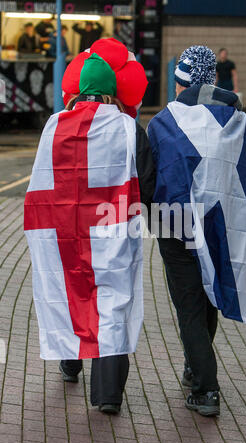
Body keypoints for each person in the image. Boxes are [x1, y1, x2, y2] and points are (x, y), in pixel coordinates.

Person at [24, 39, 155, 415]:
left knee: (69, 293)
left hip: (61, 231)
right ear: (112, 91)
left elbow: (40, 180)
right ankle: (108, 395)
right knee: (113, 303)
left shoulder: (53, 125)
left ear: (78, 89)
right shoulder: (128, 128)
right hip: (111, 231)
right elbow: (147, 181)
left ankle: (70, 362)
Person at [147, 46, 246, 417]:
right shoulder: (238, 121)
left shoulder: (164, 122)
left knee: (188, 303)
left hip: (174, 224)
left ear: (181, 82)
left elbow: (152, 177)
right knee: (209, 294)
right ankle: (195, 368)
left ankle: (206, 389)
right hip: (221, 221)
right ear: (214, 79)